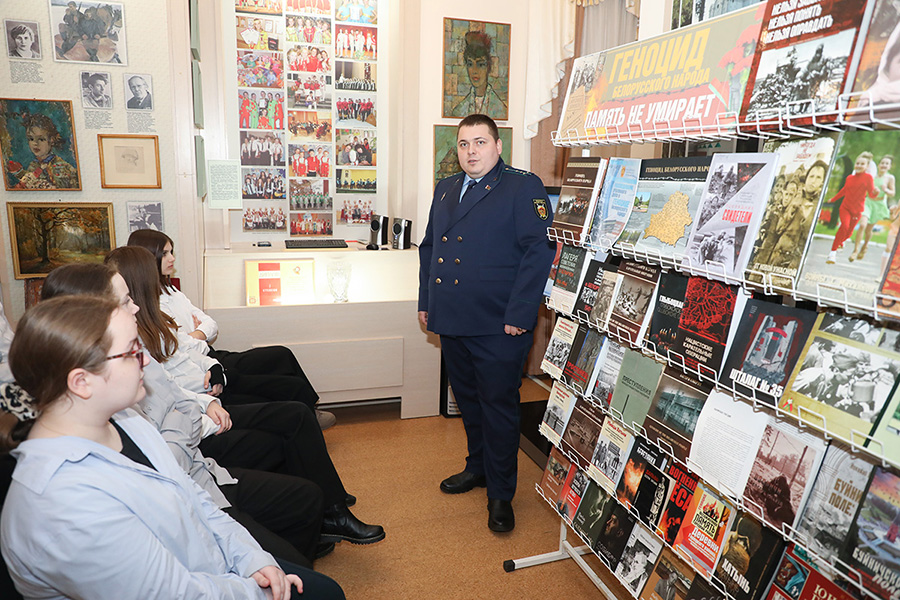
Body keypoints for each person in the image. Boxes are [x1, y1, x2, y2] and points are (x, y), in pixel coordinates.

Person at [0, 295, 344, 599]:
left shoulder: (126, 420)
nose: (146, 360)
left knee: (322, 586)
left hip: (212, 565)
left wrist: (250, 557)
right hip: (201, 585)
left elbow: (193, 495)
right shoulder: (63, 506)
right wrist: (256, 590)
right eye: (132, 352)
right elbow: (174, 592)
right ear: (81, 381)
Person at [104, 246, 385, 547]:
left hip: (205, 399)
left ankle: (329, 504)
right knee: (293, 415)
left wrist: (211, 380)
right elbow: (173, 398)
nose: (165, 270)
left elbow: (185, 361)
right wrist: (209, 402)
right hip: (202, 420)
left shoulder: (154, 318)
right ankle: (331, 510)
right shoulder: (131, 340)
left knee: (291, 402)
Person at [417, 114, 555, 532]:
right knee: (469, 401)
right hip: (453, 317)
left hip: (499, 323)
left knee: (498, 407)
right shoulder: (446, 188)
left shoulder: (521, 186)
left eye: (479, 142)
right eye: (463, 144)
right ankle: (477, 467)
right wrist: (427, 301)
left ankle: (500, 493)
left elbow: (538, 251)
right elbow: (429, 248)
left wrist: (521, 312)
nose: (471, 151)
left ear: (497, 146)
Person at [126, 229, 334, 428]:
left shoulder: (170, 289)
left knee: (282, 354)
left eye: (172, 252)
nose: (172, 258)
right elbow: (181, 345)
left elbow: (210, 324)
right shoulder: (150, 305)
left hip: (207, 356)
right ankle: (307, 413)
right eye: (165, 253)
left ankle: (310, 409)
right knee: (279, 368)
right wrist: (194, 337)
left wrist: (194, 335)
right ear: (148, 259)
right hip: (204, 364)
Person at [826, 152, 880, 264]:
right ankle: (832, 254)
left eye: (862, 164)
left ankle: (841, 242)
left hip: (857, 211)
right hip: (845, 207)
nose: (859, 165)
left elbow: (871, 195)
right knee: (844, 226)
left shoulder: (868, 178)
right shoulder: (850, 178)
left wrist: (876, 192)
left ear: (867, 166)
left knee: (849, 233)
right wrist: (834, 199)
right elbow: (844, 190)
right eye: (857, 163)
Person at [6, 112, 79, 190]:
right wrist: (19, 173)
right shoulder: (33, 165)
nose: (35, 143)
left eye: (41, 139)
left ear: (52, 140)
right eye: (31, 139)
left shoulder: (61, 167)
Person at [450, 32, 507, 118]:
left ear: (488, 67)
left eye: (480, 65)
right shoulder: (459, 111)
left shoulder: (501, 111)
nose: (475, 71)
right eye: (470, 64)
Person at [851, 154, 896, 262]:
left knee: (868, 230)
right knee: (862, 225)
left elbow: (892, 193)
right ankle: (855, 250)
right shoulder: (872, 174)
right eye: (882, 163)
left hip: (878, 205)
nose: (884, 165)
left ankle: (864, 246)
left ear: (889, 167)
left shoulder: (890, 178)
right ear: (879, 165)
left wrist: (886, 190)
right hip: (868, 202)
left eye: (887, 164)